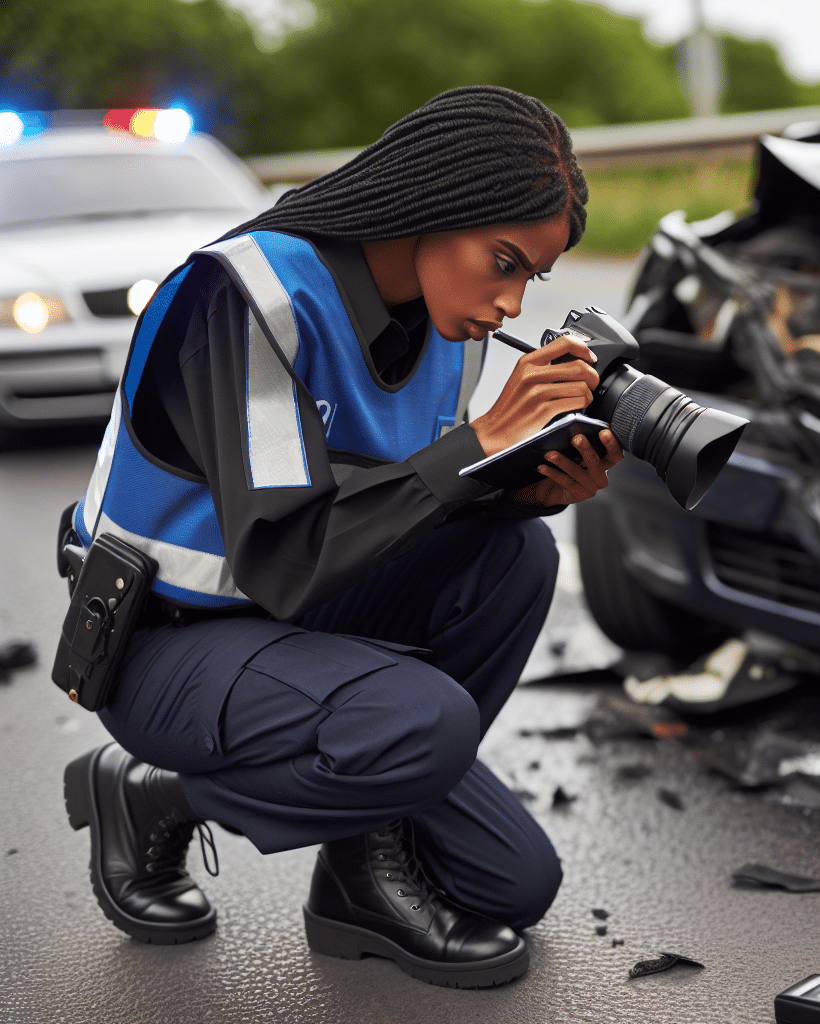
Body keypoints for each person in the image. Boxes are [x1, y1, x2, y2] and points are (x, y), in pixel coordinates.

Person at [61, 85, 623, 989]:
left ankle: (361, 870)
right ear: (436, 206)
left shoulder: (450, 326)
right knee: (422, 721)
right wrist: (479, 442)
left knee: (514, 873)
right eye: (504, 262)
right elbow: (285, 556)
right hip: (165, 643)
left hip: (299, 621)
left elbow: (399, 506)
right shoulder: (247, 295)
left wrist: (524, 490)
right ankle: (152, 793)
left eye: (532, 278)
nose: (511, 304)